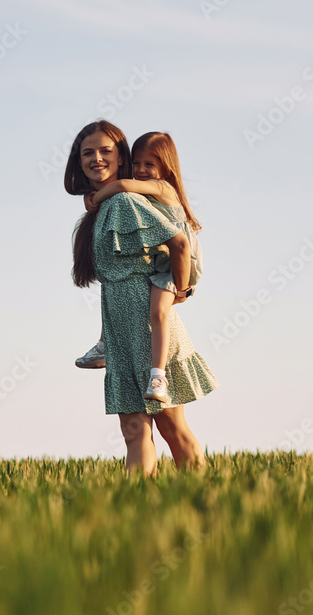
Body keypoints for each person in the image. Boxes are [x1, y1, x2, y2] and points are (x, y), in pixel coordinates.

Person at [65, 120, 218, 475]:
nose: (96, 159)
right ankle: (137, 512)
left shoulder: (124, 201)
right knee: (134, 433)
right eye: (88, 152)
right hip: (120, 334)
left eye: (106, 151)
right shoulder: (103, 208)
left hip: (152, 332)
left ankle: (206, 501)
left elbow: (179, 242)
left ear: (121, 158)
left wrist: (180, 289)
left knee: (171, 428)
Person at [79, 132, 203, 404]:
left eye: (150, 164)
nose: (141, 170)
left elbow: (122, 184)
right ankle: (103, 345)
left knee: (158, 312)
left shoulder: (161, 187)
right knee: (117, 287)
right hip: (161, 260)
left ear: (165, 166)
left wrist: (96, 196)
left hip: (173, 265)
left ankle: (158, 375)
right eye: (137, 163)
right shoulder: (143, 191)